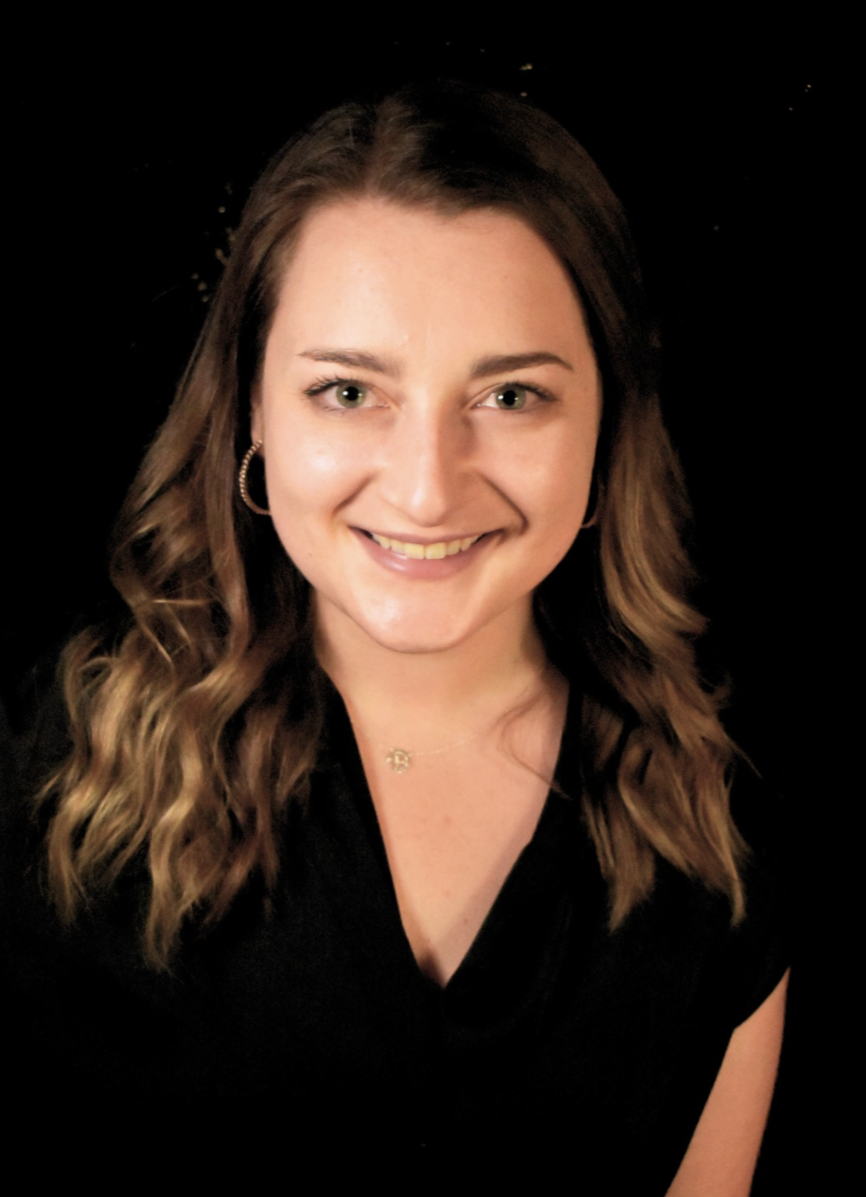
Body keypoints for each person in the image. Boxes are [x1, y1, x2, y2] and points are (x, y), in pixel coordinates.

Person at [7, 83, 789, 1190]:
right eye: (346, 391)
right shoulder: (43, 768)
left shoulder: (719, 832)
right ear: (253, 410)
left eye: (511, 397)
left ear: (608, 424)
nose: (426, 488)